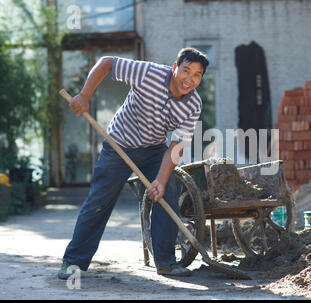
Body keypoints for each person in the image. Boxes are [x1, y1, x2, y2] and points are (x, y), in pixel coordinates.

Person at [58, 48, 209, 279]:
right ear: (175, 67)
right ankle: (73, 261)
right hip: (118, 144)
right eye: (186, 70)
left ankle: (166, 262)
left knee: (167, 190)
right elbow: (107, 62)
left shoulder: (193, 104)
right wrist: (85, 95)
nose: (189, 79)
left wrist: (159, 180)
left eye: (197, 75)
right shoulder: (148, 73)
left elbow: (176, 146)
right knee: (100, 201)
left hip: (153, 149)